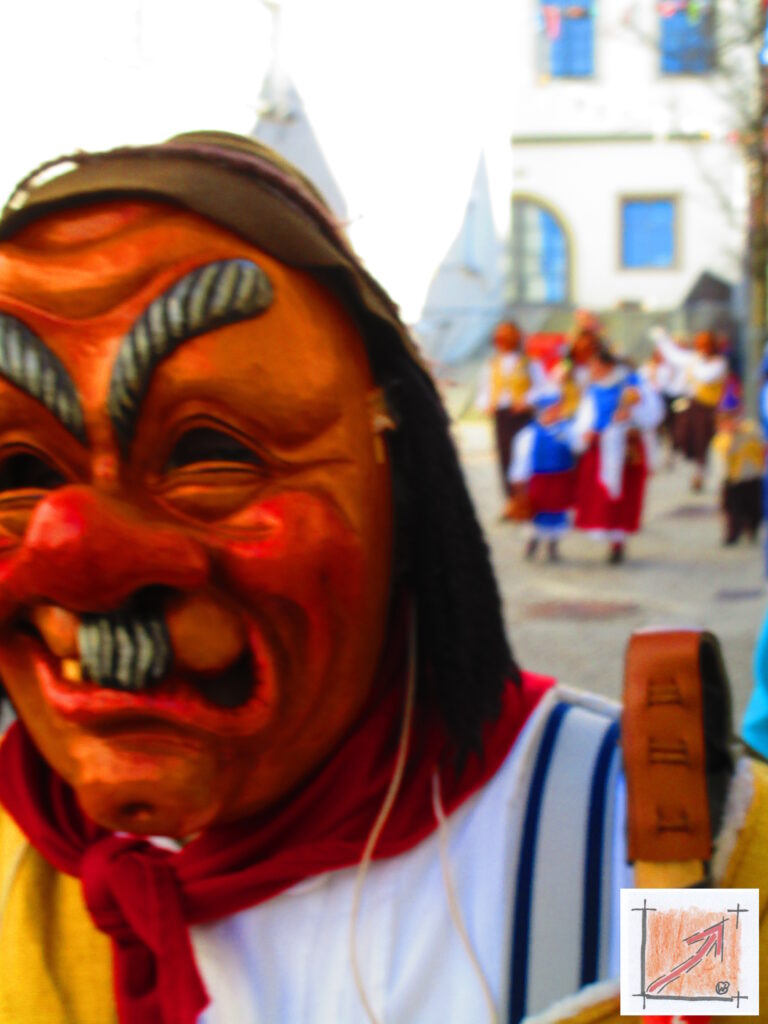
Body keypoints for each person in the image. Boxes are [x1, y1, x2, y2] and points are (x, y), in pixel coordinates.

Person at [0, 135, 763, 1024]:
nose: (76, 558)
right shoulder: (20, 859)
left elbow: (710, 1013)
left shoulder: (660, 837)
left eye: (210, 453)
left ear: (398, 485)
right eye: (16, 469)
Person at [571, 344, 663, 564]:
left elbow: (652, 416)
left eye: (596, 367)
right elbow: (586, 415)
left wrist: (634, 411)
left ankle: (618, 542)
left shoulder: (633, 385)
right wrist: (585, 432)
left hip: (626, 448)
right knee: (602, 495)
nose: (593, 371)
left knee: (623, 495)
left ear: (608, 366)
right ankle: (608, 535)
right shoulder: (594, 389)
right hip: (600, 447)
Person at [477, 320, 547, 519]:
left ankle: (528, 499)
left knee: (524, 455)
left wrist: (528, 400)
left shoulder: (530, 363)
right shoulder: (492, 365)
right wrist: (486, 404)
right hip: (502, 415)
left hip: (523, 415)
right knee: (505, 456)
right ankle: (511, 500)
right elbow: (484, 390)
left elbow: (542, 387)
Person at [650, 325, 728, 492]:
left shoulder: (718, 363)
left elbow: (705, 375)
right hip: (690, 405)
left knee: (702, 442)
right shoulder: (695, 359)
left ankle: (699, 473)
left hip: (707, 408)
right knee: (680, 433)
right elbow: (674, 356)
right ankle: (678, 455)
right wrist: (662, 339)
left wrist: (694, 362)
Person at [508, 381, 577, 563]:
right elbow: (522, 459)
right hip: (539, 480)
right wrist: (518, 480)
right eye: (554, 408)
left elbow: (578, 446)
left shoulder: (568, 429)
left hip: (561, 479)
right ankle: (533, 541)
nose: (558, 412)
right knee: (537, 513)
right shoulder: (529, 434)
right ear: (544, 410)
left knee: (557, 512)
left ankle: (553, 545)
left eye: (559, 408)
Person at [710, 393, 764, 546]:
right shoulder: (722, 438)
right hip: (732, 479)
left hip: (750, 476)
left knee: (753, 508)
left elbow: (759, 442)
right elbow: (721, 458)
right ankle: (732, 534)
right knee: (731, 509)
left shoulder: (750, 429)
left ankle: (752, 528)